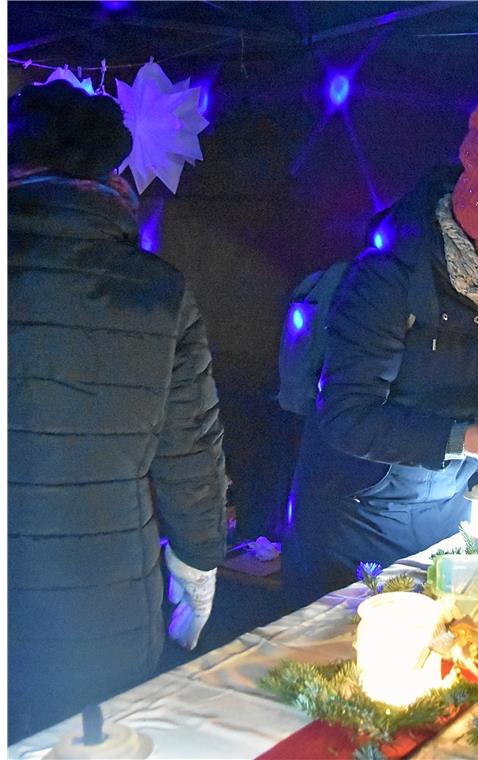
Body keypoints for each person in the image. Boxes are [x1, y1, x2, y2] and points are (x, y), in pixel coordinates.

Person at [8, 81, 227, 740]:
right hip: (103, 606)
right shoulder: (157, 291)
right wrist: (199, 560)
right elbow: (191, 449)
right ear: (112, 176)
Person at [285, 97, 478, 605]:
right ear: (467, 227)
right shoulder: (387, 282)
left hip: (444, 509)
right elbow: (345, 418)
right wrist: (462, 438)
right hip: (357, 517)